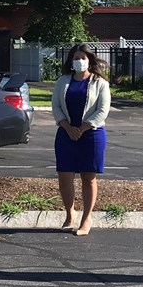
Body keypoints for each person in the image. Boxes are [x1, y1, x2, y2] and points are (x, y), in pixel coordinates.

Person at [52, 43, 111, 236]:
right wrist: (68, 127)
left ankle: (86, 218)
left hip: (92, 134)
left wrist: (84, 127)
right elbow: (56, 107)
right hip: (66, 133)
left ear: (90, 61)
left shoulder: (99, 83)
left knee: (88, 177)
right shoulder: (63, 81)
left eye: (83, 58)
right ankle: (70, 214)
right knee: (65, 176)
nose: (79, 62)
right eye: (75, 58)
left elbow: (102, 110)